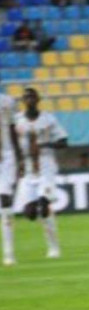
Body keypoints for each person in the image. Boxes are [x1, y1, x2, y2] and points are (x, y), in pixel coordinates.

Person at [14, 88, 67, 259]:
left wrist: (45, 145)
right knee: (29, 213)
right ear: (22, 100)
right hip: (28, 172)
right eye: (26, 97)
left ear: (38, 99)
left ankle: (54, 248)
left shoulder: (48, 119)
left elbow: (63, 141)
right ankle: (41, 212)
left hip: (46, 168)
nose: (29, 99)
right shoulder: (17, 121)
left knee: (44, 206)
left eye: (32, 96)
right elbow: (12, 144)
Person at [0, 87, 21, 266]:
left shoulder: (7, 101)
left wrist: (20, 157)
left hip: (6, 156)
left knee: (5, 199)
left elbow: (14, 130)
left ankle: (9, 252)